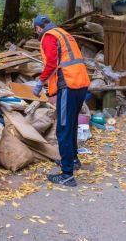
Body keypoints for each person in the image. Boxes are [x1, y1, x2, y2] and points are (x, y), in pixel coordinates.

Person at [31, 15, 90, 187]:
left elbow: (51, 64)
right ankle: (73, 160)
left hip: (69, 84)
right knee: (71, 125)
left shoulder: (49, 37)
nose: (37, 33)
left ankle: (67, 175)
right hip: (81, 83)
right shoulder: (64, 33)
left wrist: (40, 83)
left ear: (39, 28)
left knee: (63, 128)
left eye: (36, 30)